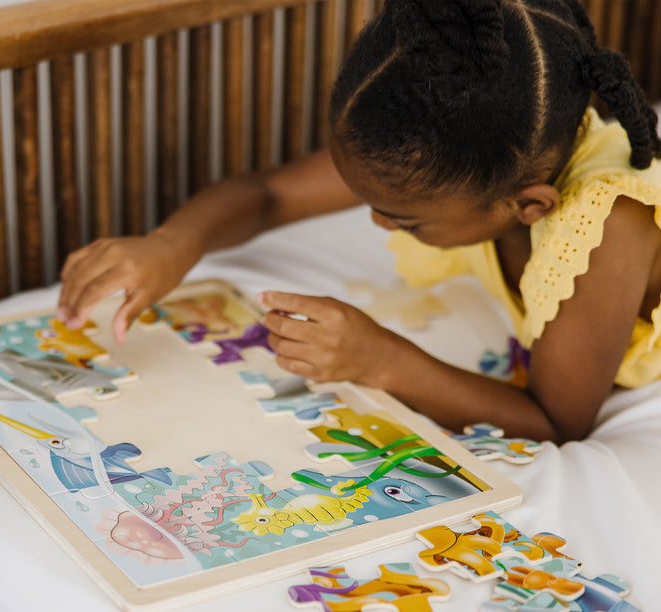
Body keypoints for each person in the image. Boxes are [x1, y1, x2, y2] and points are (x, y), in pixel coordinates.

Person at [57, 0, 661, 445]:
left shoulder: (609, 226)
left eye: (403, 220)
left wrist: (381, 359)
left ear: (529, 207)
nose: (375, 222)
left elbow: (557, 422)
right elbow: (268, 194)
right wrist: (169, 245)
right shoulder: (474, 155)